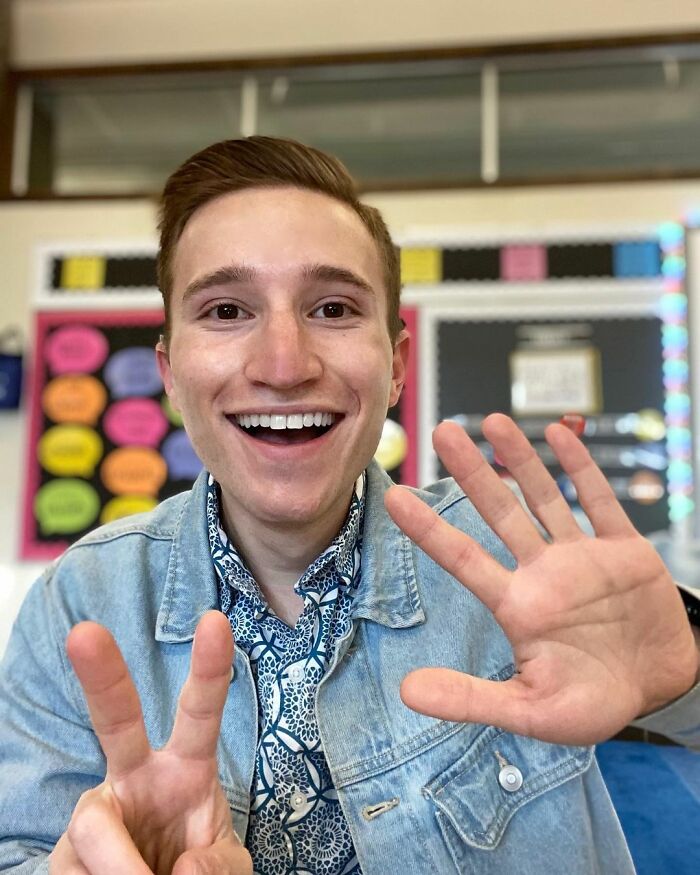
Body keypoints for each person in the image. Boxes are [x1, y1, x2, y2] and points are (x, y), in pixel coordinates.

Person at [0, 136, 698, 875]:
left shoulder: (521, 557)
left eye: (332, 308)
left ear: (396, 366)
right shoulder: (79, 604)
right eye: (227, 309)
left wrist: (685, 681)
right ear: (170, 375)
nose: (283, 366)